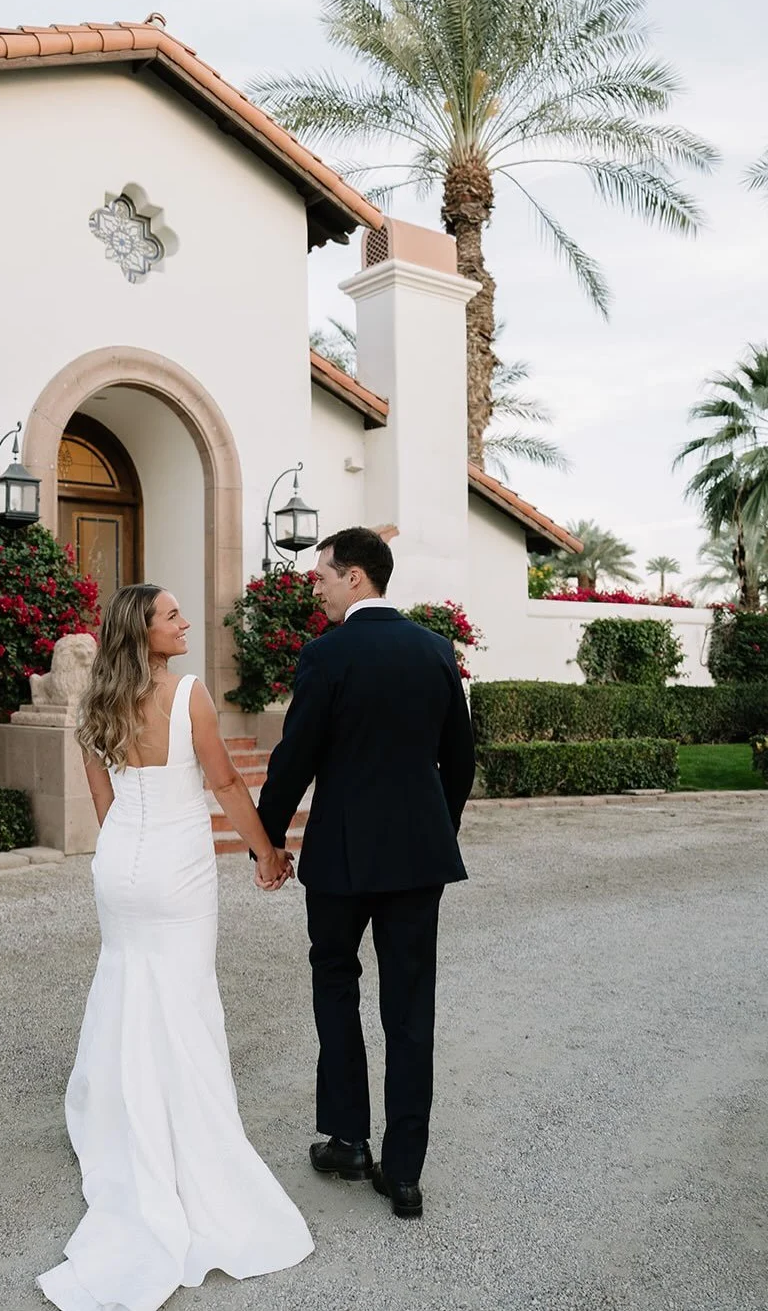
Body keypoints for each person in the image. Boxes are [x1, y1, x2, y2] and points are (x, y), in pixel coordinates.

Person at [38, 584, 312, 1311]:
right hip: (177, 869)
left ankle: (119, 1114)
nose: (185, 622)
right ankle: (189, 1136)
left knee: (125, 982)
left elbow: (104, 800)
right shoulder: (188, 694)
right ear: (144, 632)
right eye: (171, 616)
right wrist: (267, 853)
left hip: (120, 865)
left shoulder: (96, 702)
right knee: (184, 997)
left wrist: (125, 853)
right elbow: (224, 782)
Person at [257, 527, 475, 1220]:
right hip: (417, 858)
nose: (316, 588)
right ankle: (404, 1174)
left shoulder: (326, 654)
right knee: (410, 1007)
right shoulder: (435, 650)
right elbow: (460, 760)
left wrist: (267, 839)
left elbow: (295, 757)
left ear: (355, 576)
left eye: (322, 575)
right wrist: (436, 830)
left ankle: (349, 1139)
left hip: (341, 857)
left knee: (335, 985)